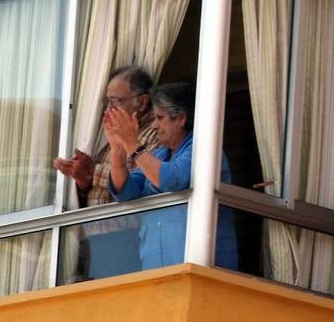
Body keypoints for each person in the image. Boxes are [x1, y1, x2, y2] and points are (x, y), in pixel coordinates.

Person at [105, 81, 238, 270]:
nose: (153, 125)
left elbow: (170, 179)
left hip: (201, 268)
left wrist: (133, 145)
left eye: (159, 118)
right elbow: (125, 191)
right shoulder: (160, 155)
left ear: (181, 119)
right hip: (157, 269)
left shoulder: (204, 148)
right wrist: (118, 147)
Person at [53, 65, 158, 278]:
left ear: (143, 102)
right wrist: (82, 181)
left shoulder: (153, 134)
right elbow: (99, 184)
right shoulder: (110, 139)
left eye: (117, 102)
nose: (108, 109)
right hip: (97, 240)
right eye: (106, 101)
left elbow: (141, 179)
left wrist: (93, 172)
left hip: (128, 237)